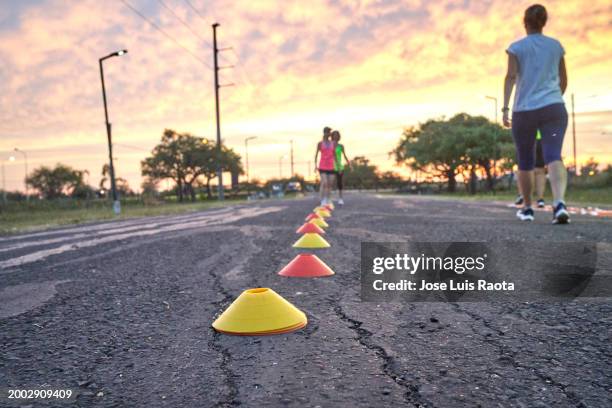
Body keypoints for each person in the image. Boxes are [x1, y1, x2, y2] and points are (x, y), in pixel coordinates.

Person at [503, 4, 569, 224]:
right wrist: (552, 98)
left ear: (525, 22)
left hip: (525, 110)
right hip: (553, 107)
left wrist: (505, 108)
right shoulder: (555, 46)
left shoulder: (517, 48)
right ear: (544, 22)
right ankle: (559, 203)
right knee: (553, 156)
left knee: (525, 160)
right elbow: (563, 79)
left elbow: (511, 77)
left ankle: (528, 208)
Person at [514, 130, 547, 208]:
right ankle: (540, 199)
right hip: (541, 137)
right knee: (540, 170)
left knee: (523, 167)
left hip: (525, 136)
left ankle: (522, 194)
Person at [314, 127, 336, 206]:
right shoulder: (320, 144)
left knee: (330, 184)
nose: (328, 134)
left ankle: (328, 199)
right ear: (324, 133)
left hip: (331, 166)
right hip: (322, 166)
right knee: (325, 183)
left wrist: (337, 165)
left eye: (329, 132)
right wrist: (315, 165)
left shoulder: (333, 143)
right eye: (327, 132)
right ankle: (322, 200)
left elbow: (335, 155)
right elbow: (316, 155)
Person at [331, 130, 351, 205]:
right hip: (331, 166)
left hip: (339, 166)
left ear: (339, 136)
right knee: (331, 182)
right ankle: (328, 198)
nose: (335, 136)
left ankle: (340, 198)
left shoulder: (341, 146)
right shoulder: (330, 145)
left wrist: (350, 164)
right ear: (332, 136)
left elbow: (344, 156)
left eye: (337, 135)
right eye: (334, 135)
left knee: (340, 183)